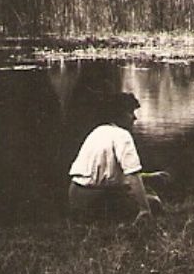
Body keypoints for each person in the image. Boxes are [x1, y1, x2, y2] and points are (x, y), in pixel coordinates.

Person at [67, 91, 159, 222]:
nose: (134, 118)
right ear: (119, 115)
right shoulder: (122, 135)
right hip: (96, 199)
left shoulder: (98, 131)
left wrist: (151, 176)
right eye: (130, 113)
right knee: (153, 201)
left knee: (141, 190)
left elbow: (107, 174)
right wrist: (145, 209)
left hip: (76, 197)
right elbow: (132, 174)